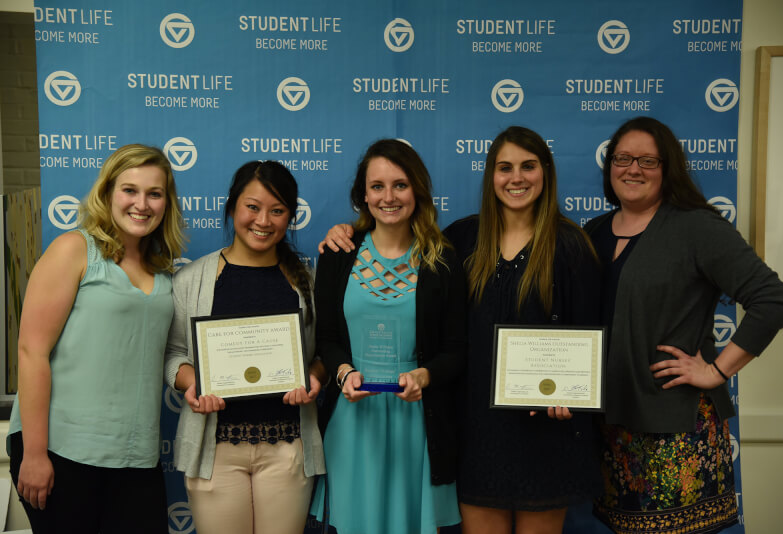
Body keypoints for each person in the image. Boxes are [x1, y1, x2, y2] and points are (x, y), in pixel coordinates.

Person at [320, 127, 603, 534]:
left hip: (544, 427)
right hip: (474, 426)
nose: (516, 178)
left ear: (546, 172)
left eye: (527, 166)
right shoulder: (462, 240)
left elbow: (590, 337)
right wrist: (345, 230)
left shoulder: (571, 245)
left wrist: (573, 393)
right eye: (505, 168)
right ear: (490, 175)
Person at [583, 116, 783, 534]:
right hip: (612, 425)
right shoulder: (593, 232)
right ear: (610, 167)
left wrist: (716, 371)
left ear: (668, 168)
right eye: (623, 158)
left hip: (676, 425)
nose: (633, 169)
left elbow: (773, 301)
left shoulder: (696, 227)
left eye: (648, 160)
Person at [7, 144, 185, 533]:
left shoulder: (162, 270)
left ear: (166, 203)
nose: (142, 204)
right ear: (107, 193)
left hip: (136, 457)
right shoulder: (74, 249)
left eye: (154, 193)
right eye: (130, 190)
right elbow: (32, 351)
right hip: (62, 450)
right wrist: (34, 454)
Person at [310, 139, 467, 534]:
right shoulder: (338, 253)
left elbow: (456, 350)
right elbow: (327, 338)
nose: (389, 197)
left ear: (417, 190)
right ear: (363, 195)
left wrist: (423, 377)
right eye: (377, 186)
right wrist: (344, 372)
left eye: (400, 185)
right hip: (353, 417)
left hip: (416, 420)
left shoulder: (443, 259)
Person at [163, 161, 326, 534]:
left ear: (291, 216)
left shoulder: (307, 283)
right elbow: (173, 355)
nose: (263, 221)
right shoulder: (192, 280)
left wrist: (314, 378)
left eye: (277, 210)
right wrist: (193, 382)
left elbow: (322, 356)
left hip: (288, 447)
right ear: (232, 206)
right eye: (252, 207)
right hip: (214, 450)